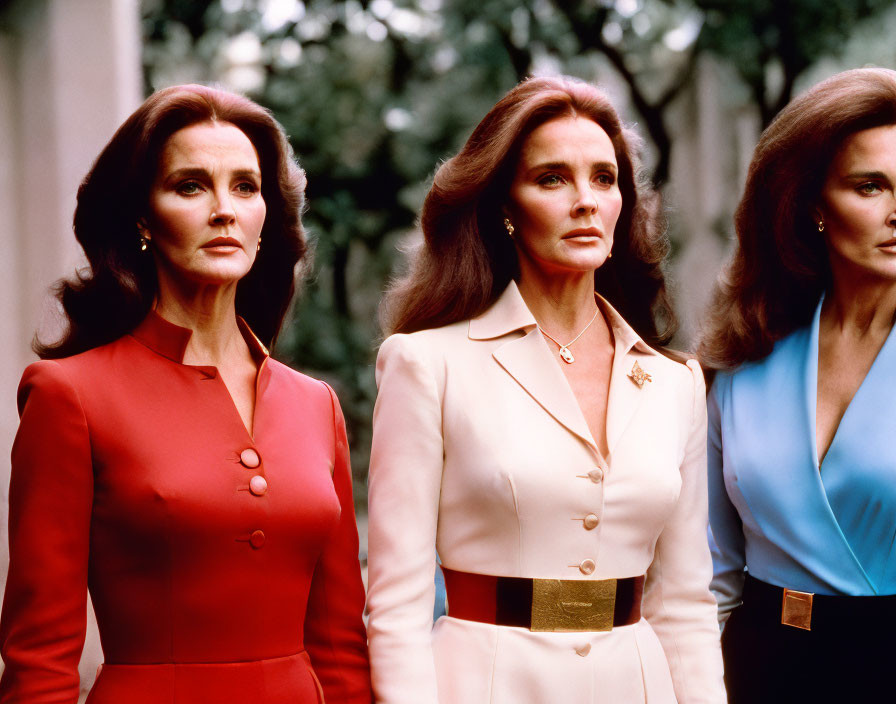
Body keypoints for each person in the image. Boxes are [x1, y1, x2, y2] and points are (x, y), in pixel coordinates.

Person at [0, 84, 372, 704]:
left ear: (266, 218)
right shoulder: (70, 395)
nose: (224, 209)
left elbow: (340, 648)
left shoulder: (316, 405)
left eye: (246, 188)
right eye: (190, 186)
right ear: (143, 218)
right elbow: (39, 659)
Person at [366, 76, 725, 703]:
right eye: (553, 178)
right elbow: (396, 606)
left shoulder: (676, 383)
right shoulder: (426, 365)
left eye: (605, 179)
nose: (586, 200)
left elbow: (686, 602)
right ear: (505, 205)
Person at [700, 67, 896, 702]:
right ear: (812, 204)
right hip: (756, 665)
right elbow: (711, 574)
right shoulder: (743, 356)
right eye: (871, 186)